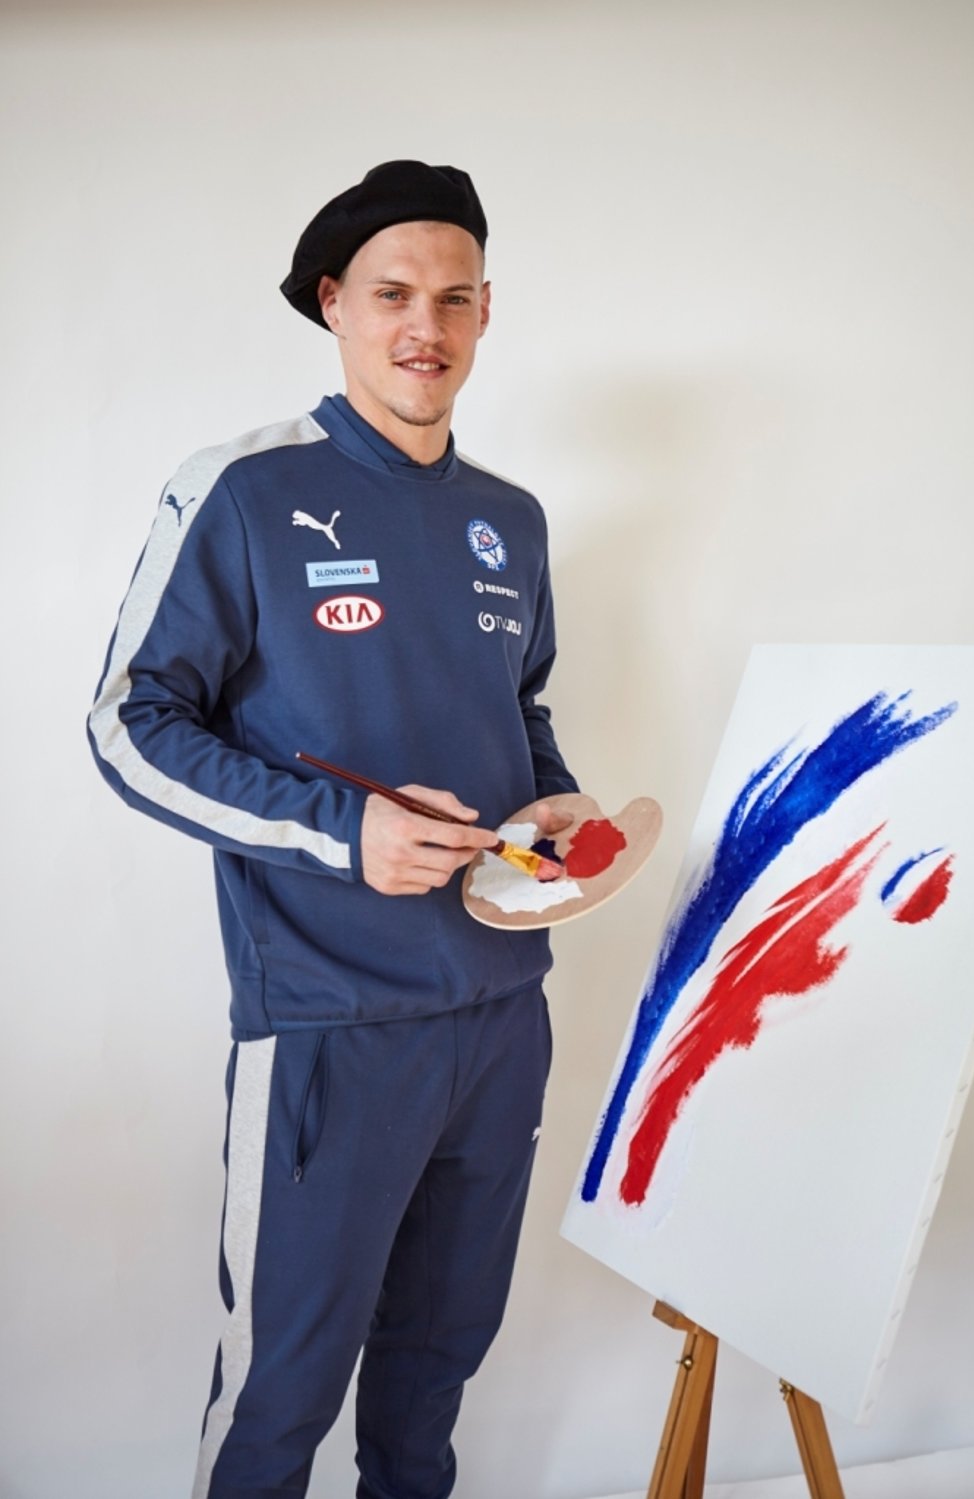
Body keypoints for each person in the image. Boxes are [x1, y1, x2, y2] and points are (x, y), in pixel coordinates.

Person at [87, 160, 578, 1499]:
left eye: (456, 298)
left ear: (486, 316)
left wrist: (560, 809)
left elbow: (517, 712)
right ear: (335, 305)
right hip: (327, 1022)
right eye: (394, 294)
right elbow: (128, 725)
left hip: (498, 1010)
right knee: (282, 1389)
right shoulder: (241, 491)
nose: (428, 323)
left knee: (433, 1377)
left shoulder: (511, 521)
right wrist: (338, 830)